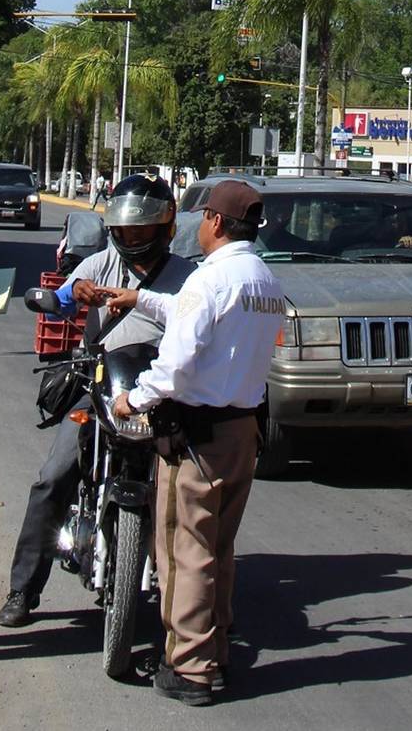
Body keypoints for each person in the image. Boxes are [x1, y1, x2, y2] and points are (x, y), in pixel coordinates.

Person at [102, 179, 284, 706]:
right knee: (219, 548)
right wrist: (143, 298)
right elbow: (199, 318)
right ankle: (215, 651)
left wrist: (133, 399)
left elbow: (175, 366)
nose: (198, 227)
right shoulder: (262, 280)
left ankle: (190, 667)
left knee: (185, 550)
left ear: (218, 224)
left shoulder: (211, 281)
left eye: (203, 218)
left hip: (197, 437)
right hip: (241, 429)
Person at [0, 174, 196, 627]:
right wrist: (71, 294)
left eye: (142, 231)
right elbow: (56, 299)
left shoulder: (188, 277)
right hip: (101, 385)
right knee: (54, 476)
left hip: (163, 394)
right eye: (125, 231)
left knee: (199, 489)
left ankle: (201, 602)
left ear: (165, 229)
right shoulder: (99, 266)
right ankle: (23, 589)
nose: (133, 238)